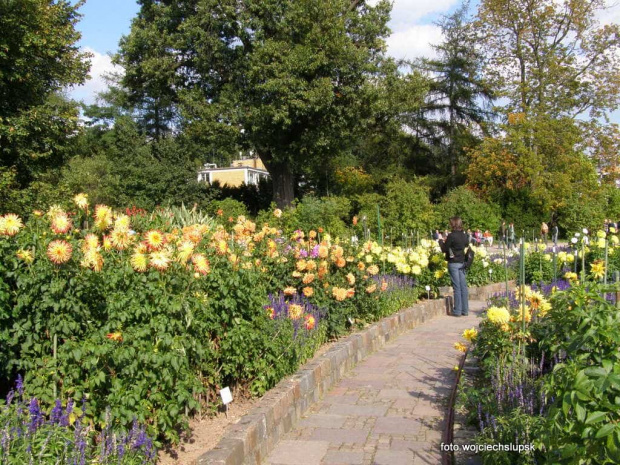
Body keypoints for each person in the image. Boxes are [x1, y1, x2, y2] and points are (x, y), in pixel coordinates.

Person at [438, 217, 469, 317]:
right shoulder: (464, 235)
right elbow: (466, 244)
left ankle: (457, 311)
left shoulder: (451, 236)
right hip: (462, 262)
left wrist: (440, 241)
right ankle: (465, 310)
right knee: (463, 287)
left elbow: (444, 249)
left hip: (453, 263)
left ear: (453, 224)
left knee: (457, 287)